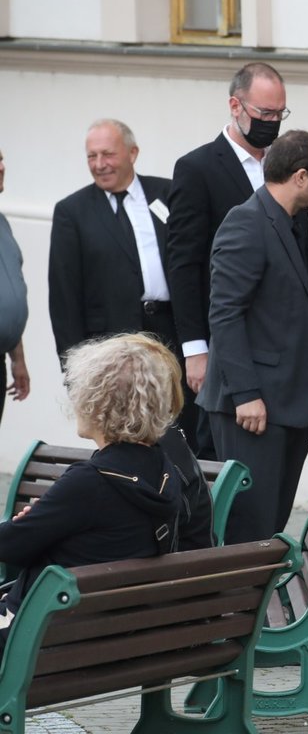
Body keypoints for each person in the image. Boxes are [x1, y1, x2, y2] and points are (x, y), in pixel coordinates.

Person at [0, 334, 184, 647]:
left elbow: (9, 548)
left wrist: (28, 527)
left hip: (41, 636)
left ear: (98, 403)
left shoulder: (90, 482)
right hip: (104, 634)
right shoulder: (165, 471)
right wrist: (43, 526)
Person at [198, 130, 308, 544]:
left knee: (268, 528)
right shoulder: (246, 222)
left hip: (288, 405)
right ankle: (236, 608)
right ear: (300, 176)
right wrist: (246, 394)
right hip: (254, 409)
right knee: (249, 530)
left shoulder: (292, 221)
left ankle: (258, 608)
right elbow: (225, 315)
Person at [167, 62, 290, 458]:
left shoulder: (283, 167)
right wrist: (195, 349)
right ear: (235, 106)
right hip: (222, 341)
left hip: (273, 342)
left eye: (279, 114)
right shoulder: (197, 169)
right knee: (216, 455)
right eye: (264, 114)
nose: (272, 122)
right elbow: (184, 264)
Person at [48, 120, 194, 441]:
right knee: (126, 437)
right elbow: (64, 298)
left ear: (133, 153)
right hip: (113, 347)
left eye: (108, 154)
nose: (99, 165)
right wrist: (73, 372)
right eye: (91, 156)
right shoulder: (72, 212)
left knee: (184, 432)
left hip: (173, 333)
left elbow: (194, 266)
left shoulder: (168, 194)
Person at [0, 148, 30, 424]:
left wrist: (17, 358)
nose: (1, 167)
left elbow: (9, 294)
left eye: (0, 160)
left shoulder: (3, 224)